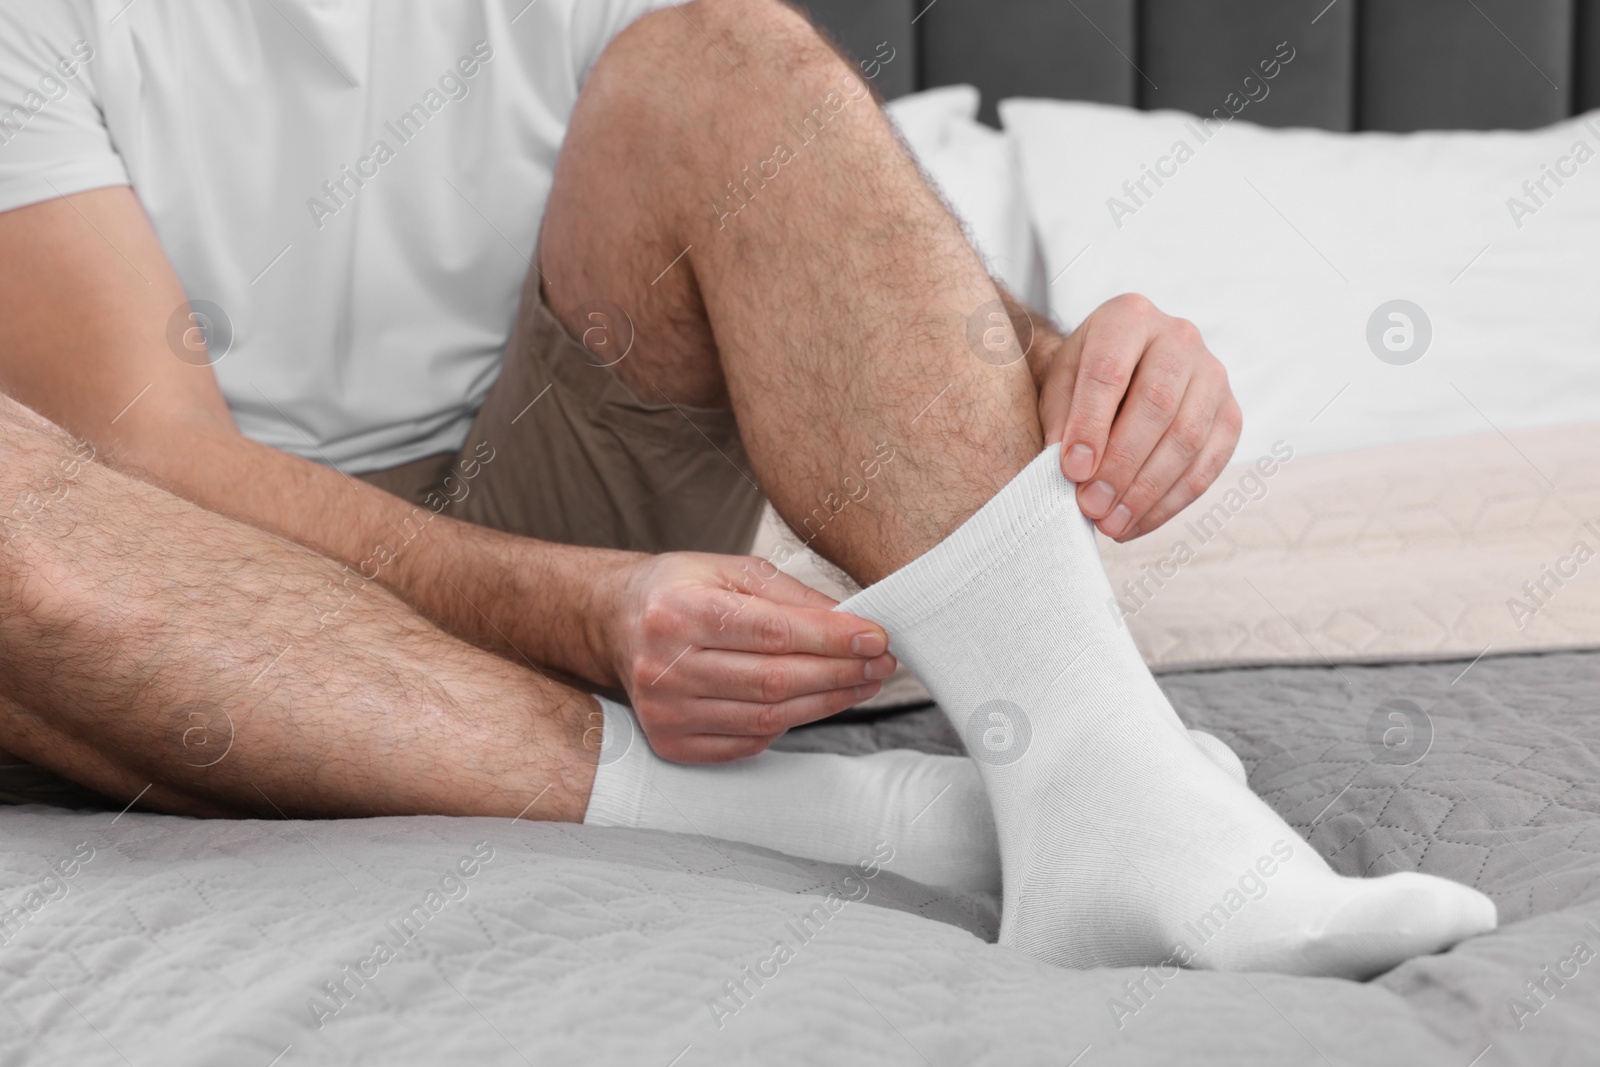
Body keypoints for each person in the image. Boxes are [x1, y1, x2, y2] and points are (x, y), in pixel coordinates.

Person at [0, 0, 1495, 977]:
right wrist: (592, 616)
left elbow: (818, 247)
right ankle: (912, 821)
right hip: (196, 589)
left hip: (556, 474)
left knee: (728, 57)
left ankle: (1095, 761)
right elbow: (150, 459)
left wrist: (1066, 360)